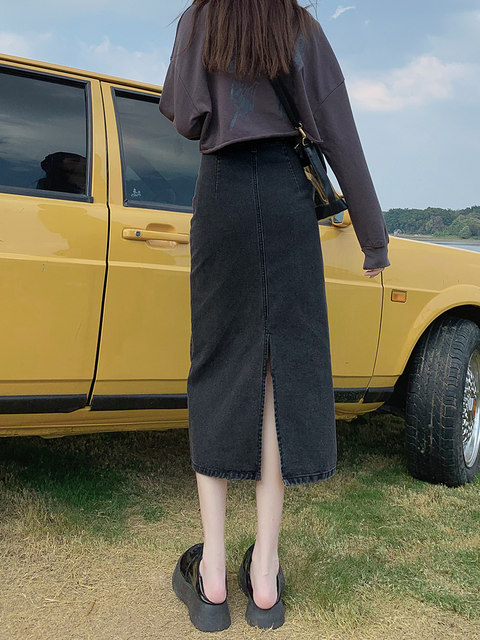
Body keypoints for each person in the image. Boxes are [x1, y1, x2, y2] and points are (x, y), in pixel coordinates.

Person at [159, 0, 390, 632]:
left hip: (222, 194)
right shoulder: (299, 26)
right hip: (287, 197)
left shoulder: (199, 20)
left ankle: (211, 576)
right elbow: (338, 130)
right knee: (277, 377)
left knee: (215, 369)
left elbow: (184, 114)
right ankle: (264, 576)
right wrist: (373, 238)